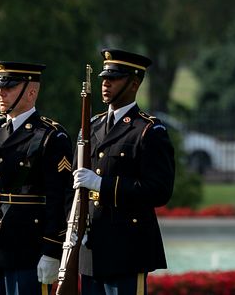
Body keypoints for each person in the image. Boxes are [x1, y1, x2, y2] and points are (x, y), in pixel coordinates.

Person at [0, 61, 74, 294]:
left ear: (31, 92)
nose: (0, 92)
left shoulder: (50, 136)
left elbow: (59, 198)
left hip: (26, 246)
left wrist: (53, 250)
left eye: (8, 87)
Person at [75, 49, 176, 295]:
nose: (105, 84)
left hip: (127, 248)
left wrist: (103, 185)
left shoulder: (148, 131)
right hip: (91, 247)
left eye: (114, 78)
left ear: (134, 83)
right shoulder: (92, 126)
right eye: (103, 78)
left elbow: (159, 191)